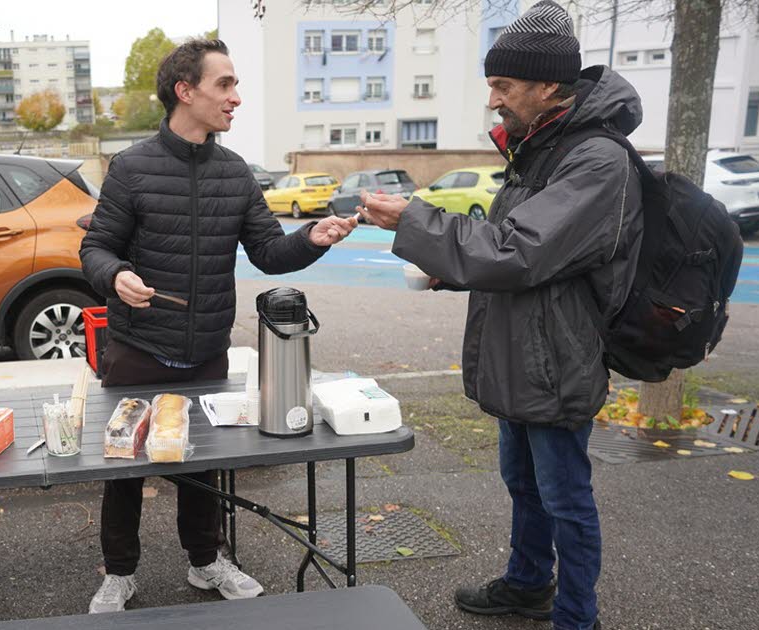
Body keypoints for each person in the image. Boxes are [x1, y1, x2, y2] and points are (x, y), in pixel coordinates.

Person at [359, 3, 642, 630]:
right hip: (522, 353)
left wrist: (414, 220)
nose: (493, 100)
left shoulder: (597, 160)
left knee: (565, 497)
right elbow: (509, 240)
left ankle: (576, 616)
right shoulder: (541, 147)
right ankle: (525, 585)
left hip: (558, 359)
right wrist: (445, 263)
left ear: (547, 86)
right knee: (524, 483)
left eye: (503, 86)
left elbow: (520, 252)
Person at [80, 38, 358, 614]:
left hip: (206, 349)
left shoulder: (234, 172)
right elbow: (97, 247)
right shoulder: (131, 167)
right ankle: (119, 572)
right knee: (124, 464)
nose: (237, 97)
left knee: (203, 465)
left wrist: (312, 238)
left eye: (235, 85)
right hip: (138, 345)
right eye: (224, 84)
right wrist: (117, 276)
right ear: (186, 92)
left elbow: (267, 253)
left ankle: (206, 561)